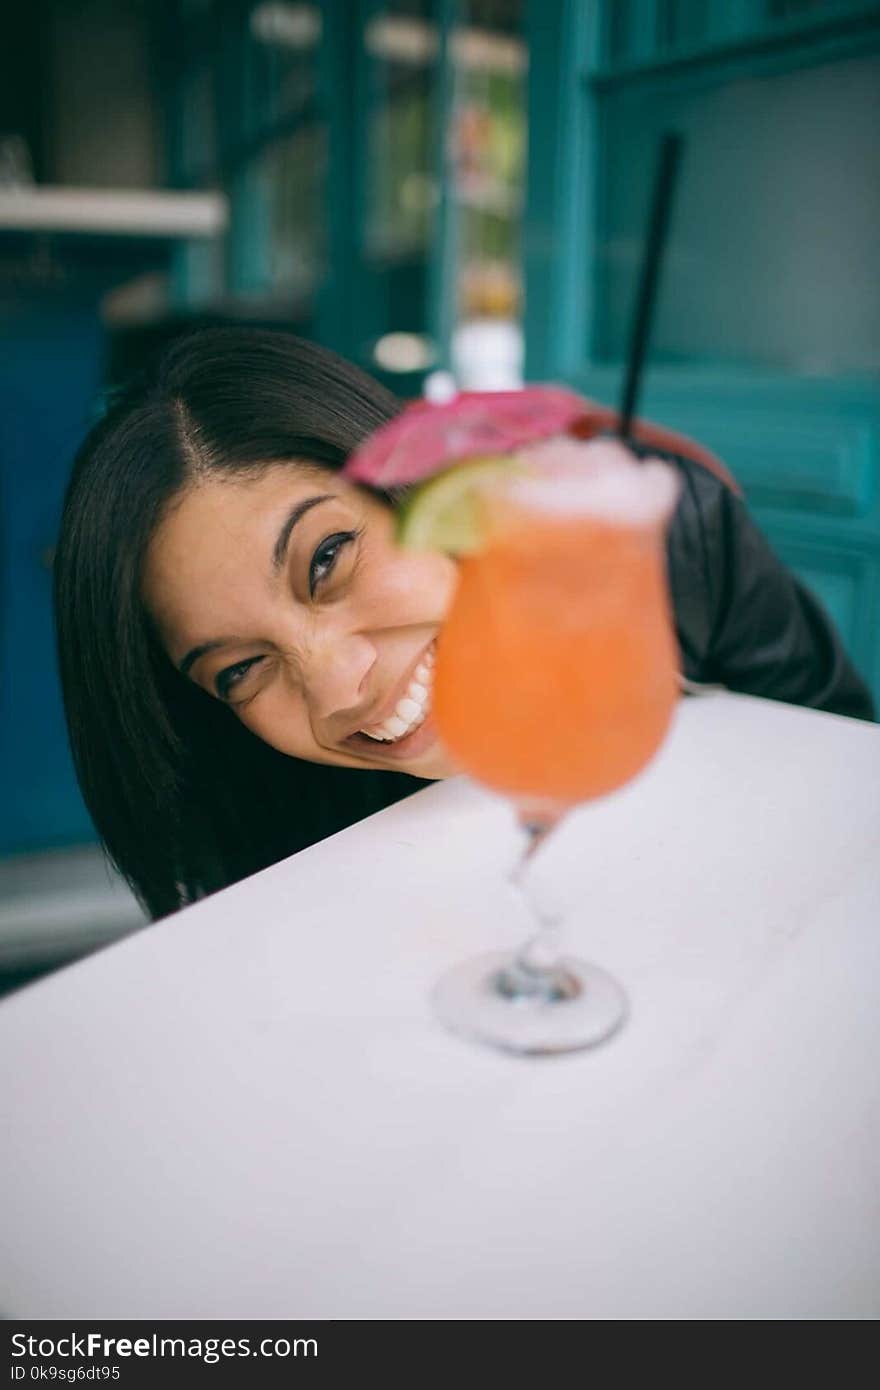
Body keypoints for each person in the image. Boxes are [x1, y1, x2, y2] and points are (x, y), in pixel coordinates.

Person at [54, 327, 874, 921]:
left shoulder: (663, 542)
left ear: (424, 487)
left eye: (328, 558)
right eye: (238, 670)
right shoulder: (269, 812)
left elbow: (841, 776)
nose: (338, 686)